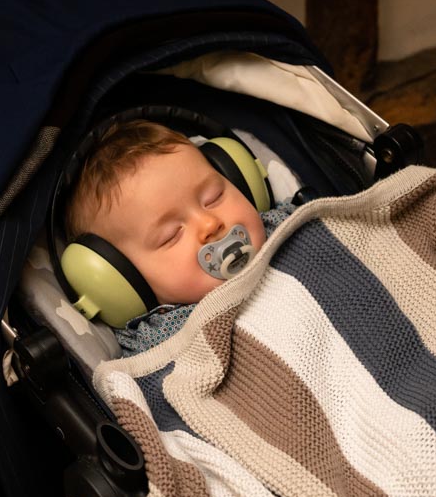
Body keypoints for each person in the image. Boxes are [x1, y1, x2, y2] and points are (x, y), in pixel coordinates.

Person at [65, 119, 296, 354]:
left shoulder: (291, 226)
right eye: (171, 235)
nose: (209, 224)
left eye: (213, 197)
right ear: (126, 280)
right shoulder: (162, 342)